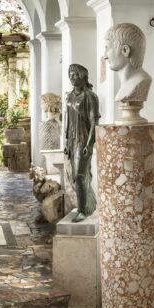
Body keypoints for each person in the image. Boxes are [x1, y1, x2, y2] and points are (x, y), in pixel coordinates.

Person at [64, 64, 99, 221]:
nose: (72, 77)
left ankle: (83, 210)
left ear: (84, 76)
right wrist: (66, 140)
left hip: (83, 140)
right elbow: (68, 119)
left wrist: (89, 143)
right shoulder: (70, 96)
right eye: (70, 74)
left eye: (76, 74)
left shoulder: (90, 96)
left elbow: (94, 122)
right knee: (76, 176)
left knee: (80, 175)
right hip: (72, 140)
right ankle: (86, 205)